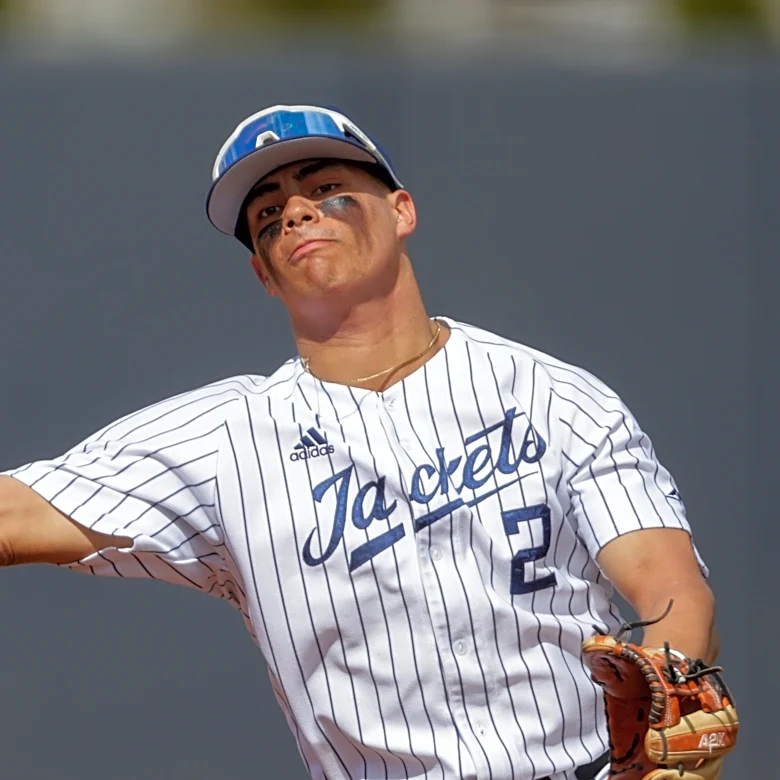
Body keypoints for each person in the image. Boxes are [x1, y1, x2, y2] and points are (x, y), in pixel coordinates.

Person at [0, 104, 718, 780]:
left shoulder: (553, 396)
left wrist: (671, 682)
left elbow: (669, 583)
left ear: (401, 210)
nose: (297, 212)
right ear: (263, 274)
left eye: (328, 187)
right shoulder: (222, 442)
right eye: (269, 215)